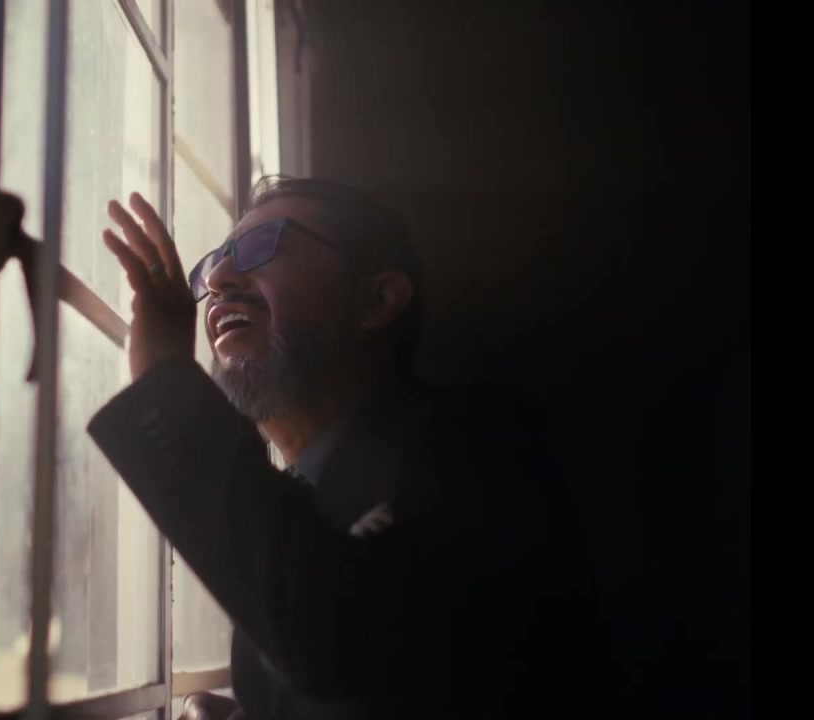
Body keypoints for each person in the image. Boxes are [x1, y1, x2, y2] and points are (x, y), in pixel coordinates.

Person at [86, 176, 612, 719]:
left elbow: (354, 636)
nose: (218, 280)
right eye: (215, 262)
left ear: (375, 300)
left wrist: (166, 381)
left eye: (264, 245)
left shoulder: (484, 441)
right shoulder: (286, 503)